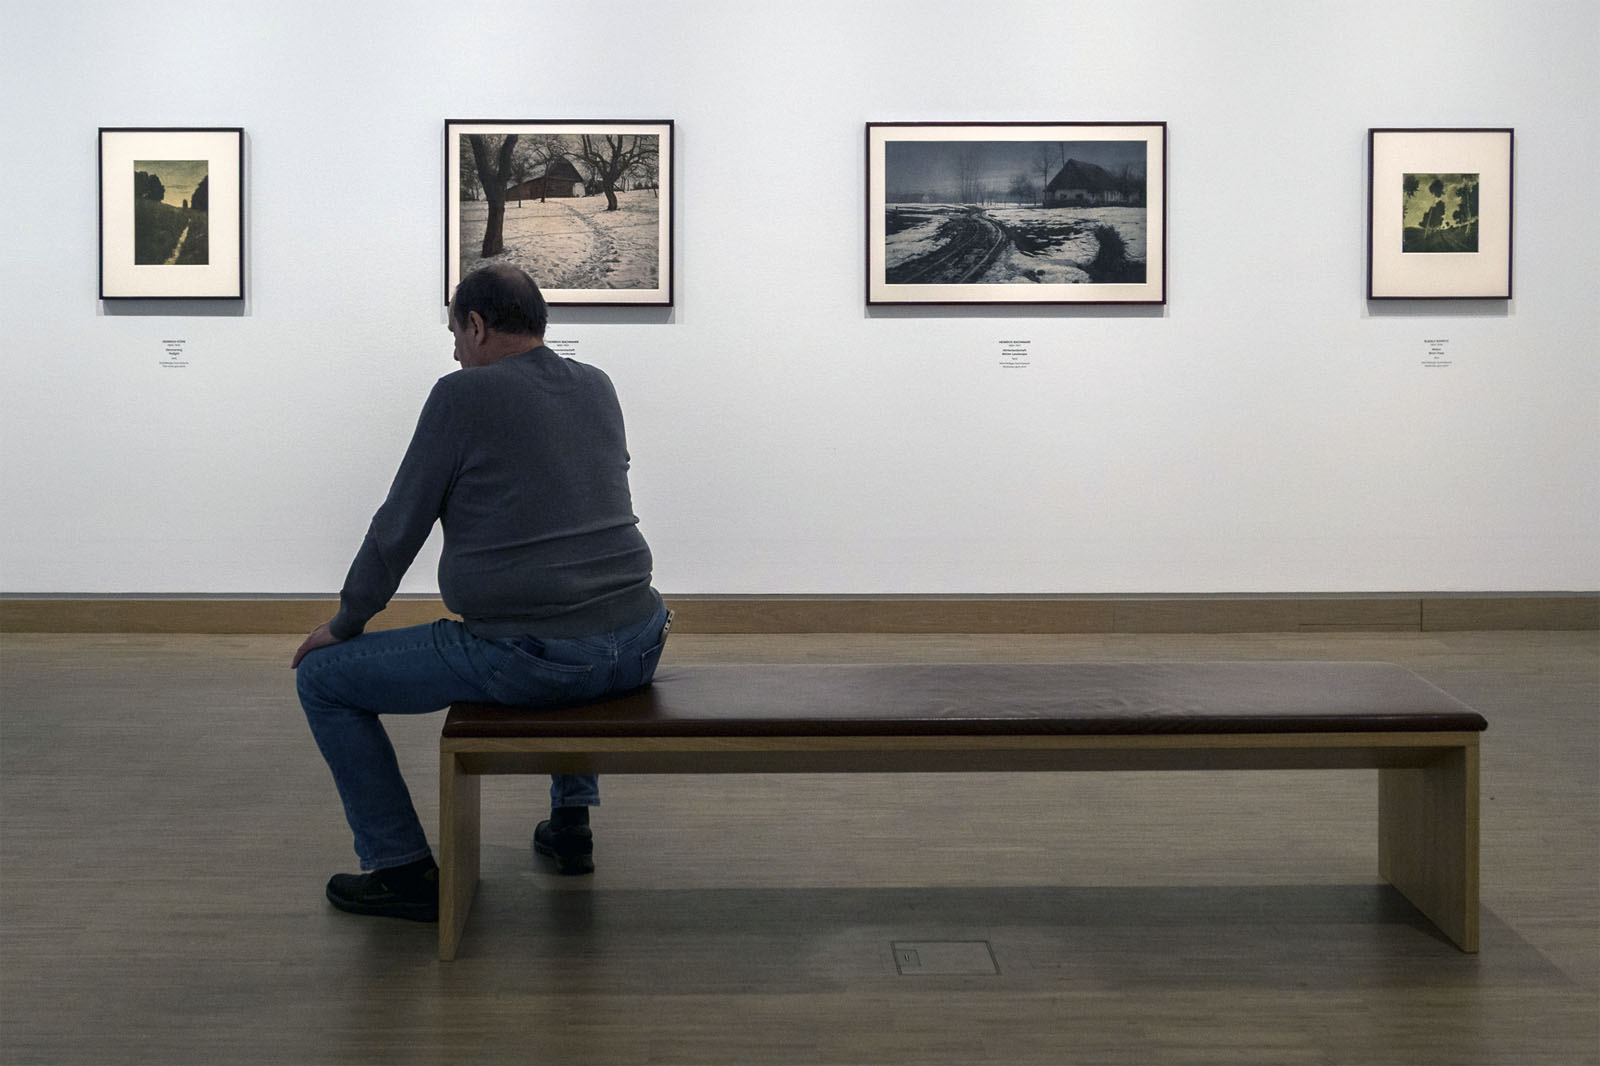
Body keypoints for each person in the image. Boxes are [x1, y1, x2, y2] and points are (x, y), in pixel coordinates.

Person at [293, 264, 669, 922]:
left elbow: (397, 528)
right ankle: (570, 823)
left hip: (534, 655)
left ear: (477, 324)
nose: (455, 351)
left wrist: (348, 621)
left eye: (455, 333)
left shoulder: (460, 396)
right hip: (640, 639)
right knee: (570, 627)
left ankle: (401, 868)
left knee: (323, 679)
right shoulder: (596, 385)